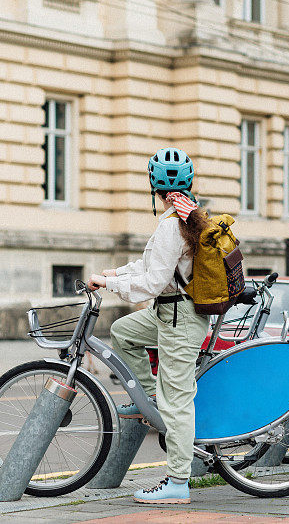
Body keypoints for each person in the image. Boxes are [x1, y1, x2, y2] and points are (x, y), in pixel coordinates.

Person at [87, 147, 210, 504]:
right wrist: (113, 273)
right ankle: (149, 397)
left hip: (180, 319)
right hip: (168, 314)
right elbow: (151, 266)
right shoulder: (179, 217)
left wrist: (110, 285)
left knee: (177, 403)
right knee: (124, 332)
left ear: (152, 185)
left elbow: (153, 283)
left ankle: (177, 482)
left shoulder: (175, 224)